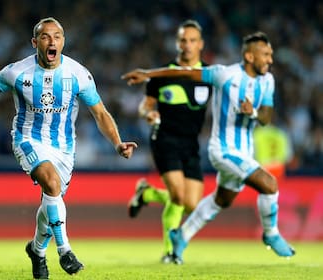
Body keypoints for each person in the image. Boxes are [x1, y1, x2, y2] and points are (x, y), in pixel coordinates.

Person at [0, 17, 137, 279]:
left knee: (52, 200)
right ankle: (65, 250)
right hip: (28, 139)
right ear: (34, 42)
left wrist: (118, 143)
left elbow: (100, 112)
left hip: (64, 148)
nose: (52, 41)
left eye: (57, 36)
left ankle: (37, 251)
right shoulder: (17, 72)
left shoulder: (78, 74)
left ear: (63, 42)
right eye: (45, 36)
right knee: (51, 184)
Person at [122, 31, 295, 263]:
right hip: (222, 150)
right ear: (250, 57)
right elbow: (181, 72)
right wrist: (147, 74)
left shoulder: (268, 80)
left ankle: (180, 237)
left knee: (221, 201)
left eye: (270, 55)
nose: (270, 60)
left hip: (244, 152)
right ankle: (271, 234)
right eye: (265, 55)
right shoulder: (225, 74)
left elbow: (265, 116)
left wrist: (252, 111)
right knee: (269, 184)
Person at [126, 19, 212, 264]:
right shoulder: (162, 75)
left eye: (192, 40)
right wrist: (148, 114)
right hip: (164, 139)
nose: (187, 45)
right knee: (177, 195)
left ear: (201, 44)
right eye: (183, 40)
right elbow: (146, 104)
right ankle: (170, 253)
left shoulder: (208, 75)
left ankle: (147, 194)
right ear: (177, 43)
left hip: (191, 144)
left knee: (191, 204)